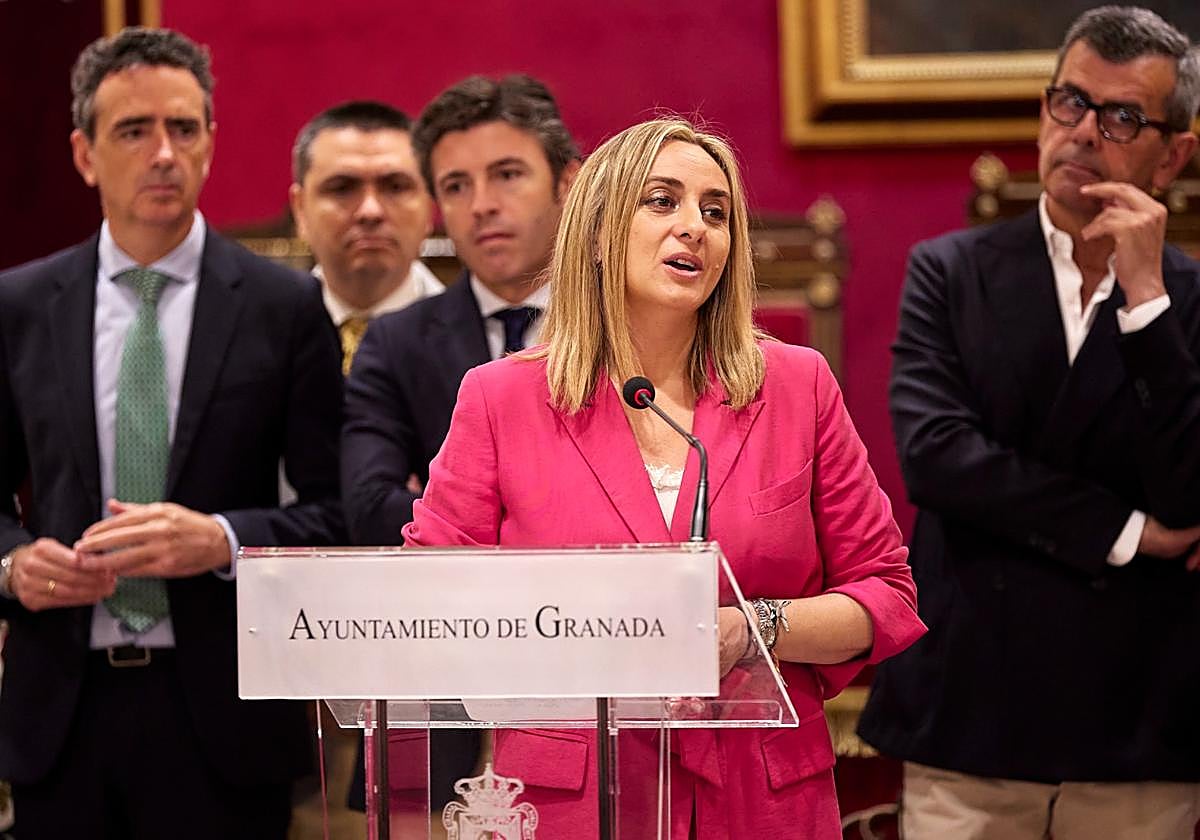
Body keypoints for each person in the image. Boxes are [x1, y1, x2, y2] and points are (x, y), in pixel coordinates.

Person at [400, 117, 925, 839]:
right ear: (597, 231)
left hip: (761, 797)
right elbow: (426, 603)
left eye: (716, 212)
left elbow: (885, 594)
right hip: (578, 801)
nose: (694, 228)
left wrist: (753, 629)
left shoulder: (796, 386)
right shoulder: (501, 398)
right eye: (662, 201)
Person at [857, 7, 1200, 839]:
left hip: (1137, 719)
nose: (1084, 132)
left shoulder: (1188, 299)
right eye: (1070, 102)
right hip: (974, 706)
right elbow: (938, 458)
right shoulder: (950, 271)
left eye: (1123, 117)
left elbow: (1191, 495)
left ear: (1174, 154)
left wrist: (1146, 302)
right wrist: (1126, 530)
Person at [0, 28, 343, 838]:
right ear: (84, 154)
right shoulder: (19, 305)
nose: (163, 154)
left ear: (210, 142)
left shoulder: (285, 306)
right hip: (62, 714)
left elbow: (338, 515)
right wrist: (12, 566)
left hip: (224, 718)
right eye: (133, 130)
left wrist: (222, 539)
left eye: (183, 129)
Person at [341, 74, 579, 811]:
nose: (481, 204)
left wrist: (456, 509)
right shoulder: (395, 342)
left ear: (567, 183)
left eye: (507, 174)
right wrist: (556, 524)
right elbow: (372, 509)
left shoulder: (636, 331)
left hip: (597, 689)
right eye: (456, 185)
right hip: (435, 698)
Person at [290, 100, 441, 375]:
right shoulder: (257, 333)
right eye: (342, 188)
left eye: (396, 187)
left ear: (430, 204)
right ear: (300, 209)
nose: (370, 211)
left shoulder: (479, 340)